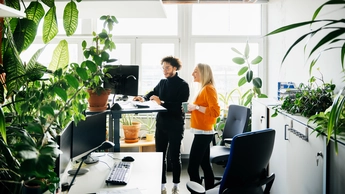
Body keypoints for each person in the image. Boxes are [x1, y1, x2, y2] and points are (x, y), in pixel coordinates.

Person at [133, 56, 190, 194]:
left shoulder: (183, 85)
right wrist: (143, 97)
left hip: (175, 124)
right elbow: (152, 93)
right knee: (160, 155)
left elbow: (180, 107)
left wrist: (162, 103)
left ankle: (176, 185)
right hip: (162, 124)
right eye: (163, 67)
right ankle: (162, 185)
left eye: (167, 67)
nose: (164, 70)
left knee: (174, 156)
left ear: (175, 68)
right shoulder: (162, 82)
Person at [186, 63, 220, 190]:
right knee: (205, 164)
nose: (192, 74)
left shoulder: (208, 89)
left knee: (192, 168)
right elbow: (203, 109)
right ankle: (209, 191)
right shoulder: (203, 88)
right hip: (202, 131)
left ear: (203, 73)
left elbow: (215, 112)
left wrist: (197, 107)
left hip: (204, 133)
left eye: (195, 71)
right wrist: (192, 109)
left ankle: (198, 192)